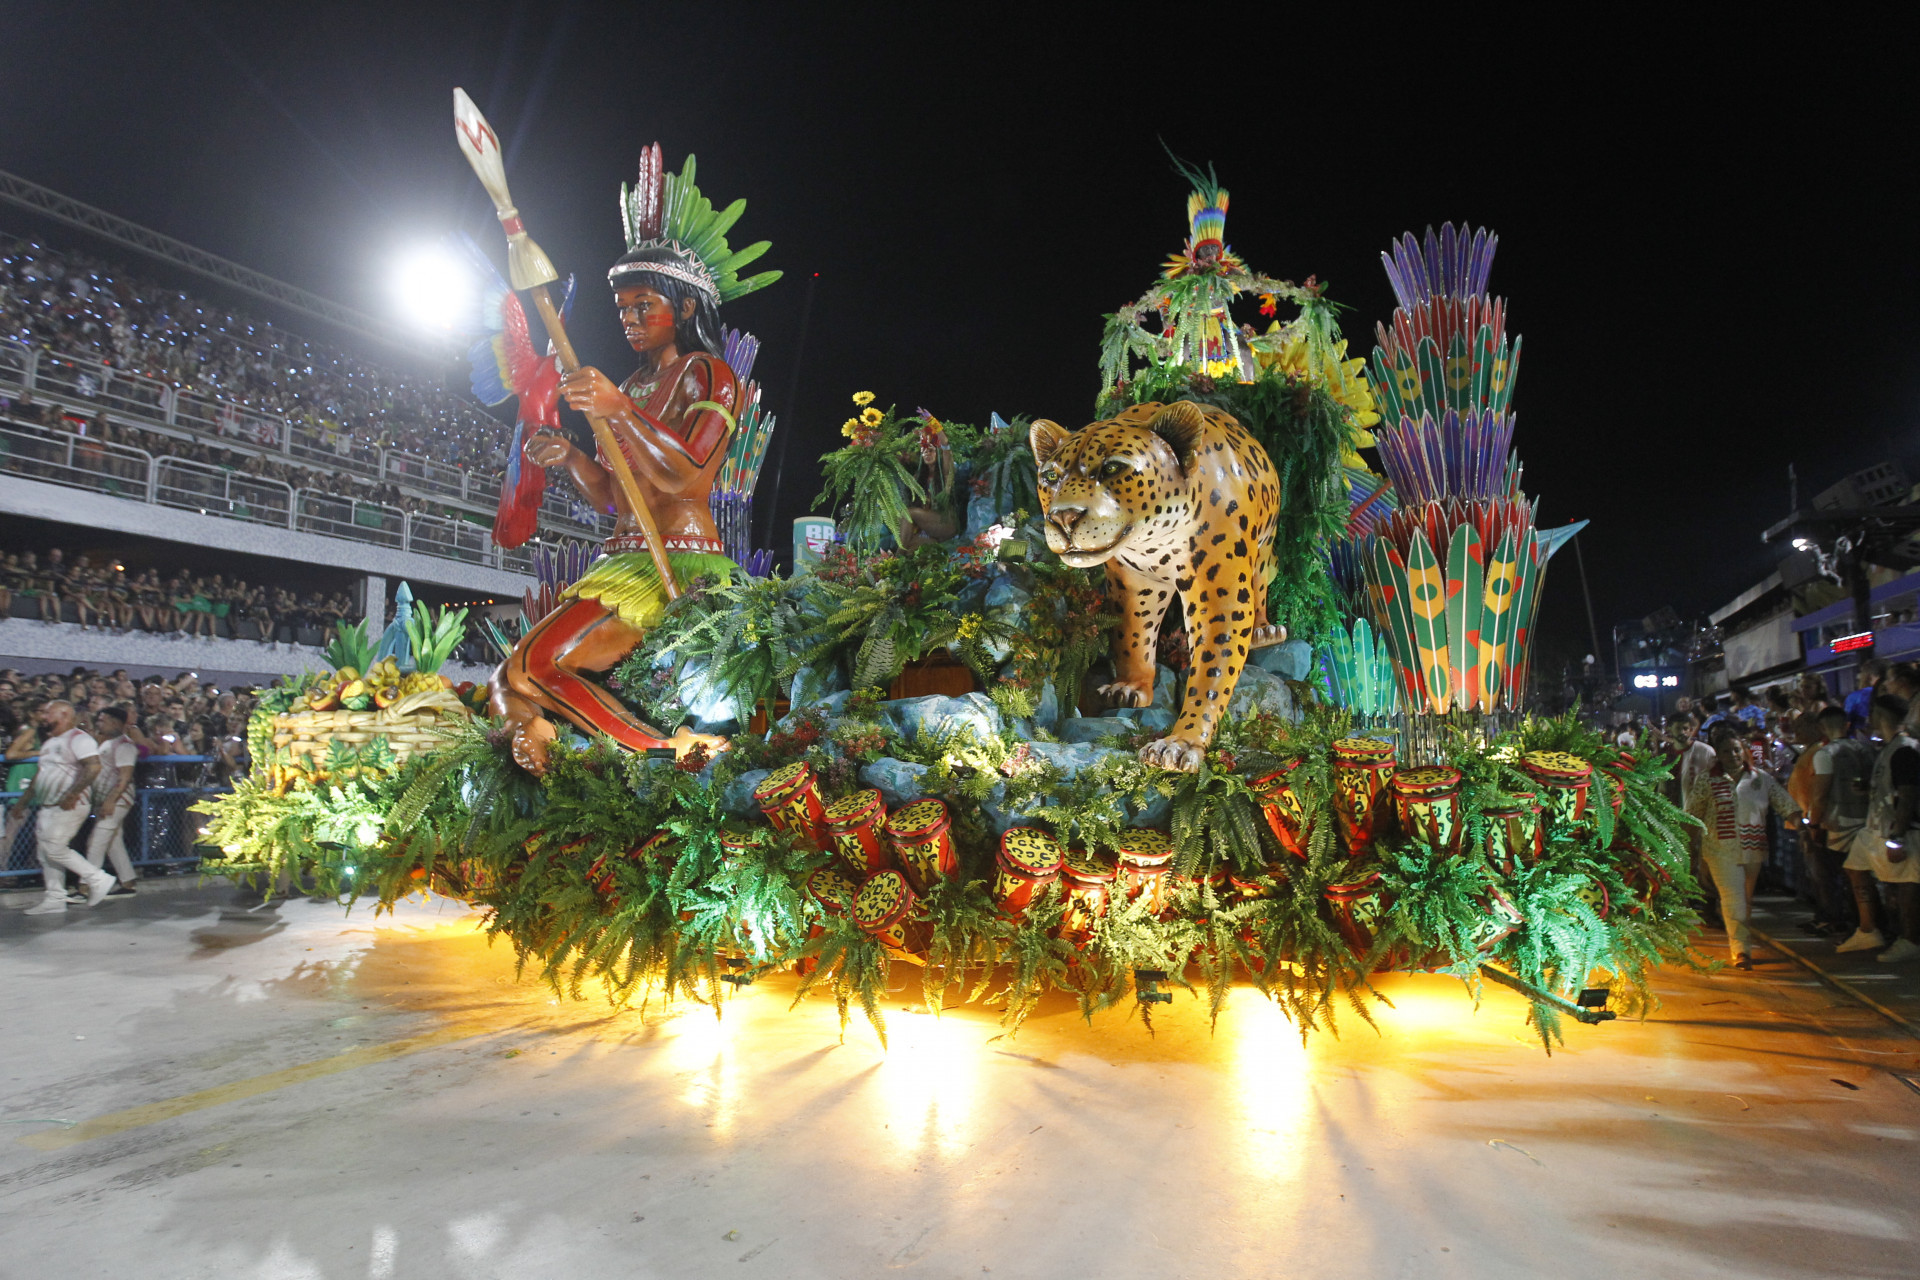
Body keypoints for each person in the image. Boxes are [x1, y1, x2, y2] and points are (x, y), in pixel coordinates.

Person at [1686, 721, 1801, 969]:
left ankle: (1741, 941)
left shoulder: (1761, 779)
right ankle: (1741, 952)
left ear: (1744, 750)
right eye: (1727, 751)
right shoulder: (1707, 780)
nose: (1733, 755)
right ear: (1719, 754)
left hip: (1754, 849)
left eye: (1736, 750)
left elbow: (1784, 803)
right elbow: (1693, 814)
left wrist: (1801, 825)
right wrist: (1689, 846)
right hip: (1719, 850)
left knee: (1745, 900)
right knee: (1733, 898)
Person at [12, 700, 117, 915]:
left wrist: (73, 793)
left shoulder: (79, 739)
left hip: (71, 804)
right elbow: (41, 774)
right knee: (45, 852)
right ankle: (55, 898)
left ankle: (97, 878)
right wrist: (23, 801)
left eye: (48, 713)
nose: (44, 717)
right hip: (48, 804)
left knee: (54, 848)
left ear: (64, 714)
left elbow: (93, 766)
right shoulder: (50, 742)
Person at [1809, 705, 1884, 953]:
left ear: (1821, 728)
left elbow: (1819, 795)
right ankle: (1876, 927)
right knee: (1870, 878)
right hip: (1871, 821)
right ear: (1847, 725)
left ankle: (1862, 928)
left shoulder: (1825, 753)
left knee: (1849, 878)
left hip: (1840, 824)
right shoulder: (1868, 750)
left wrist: (1814, 823)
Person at [1856, 694, 1920, 963]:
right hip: (1887, 830)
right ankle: (1894, 934)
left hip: (1906, 833)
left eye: (1872, 714)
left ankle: (1911, 940)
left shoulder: (1904, 749)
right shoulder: (1891, 748)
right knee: (1895, 886)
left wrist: (1897, 836)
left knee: (1908, 888)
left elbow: (1908, 794)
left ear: (1881, 717)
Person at [79, 705, 139, 898]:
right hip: (107, 799)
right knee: (113, 841)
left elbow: (125, 777)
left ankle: (86, 887)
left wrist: (111, 801)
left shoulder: (124, 745)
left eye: (102, 720)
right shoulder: (108, 743)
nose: (99, 724)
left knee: (97, 841)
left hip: (118, 800)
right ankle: (128, 882)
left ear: (115, 722)